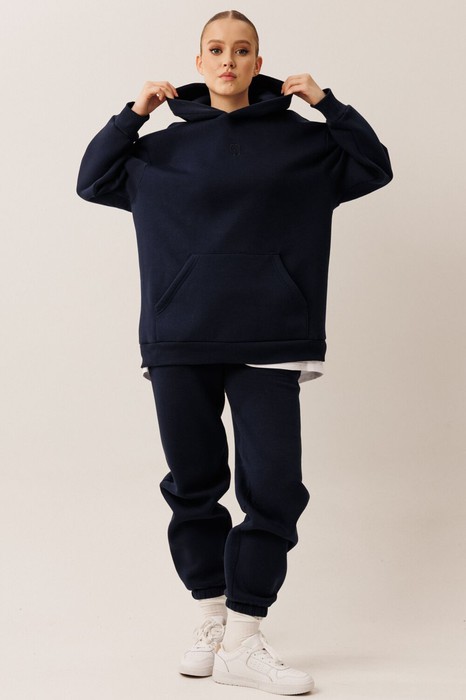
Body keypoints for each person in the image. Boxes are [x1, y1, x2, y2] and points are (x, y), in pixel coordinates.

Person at [76, 8, 393, 695]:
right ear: (199, 62)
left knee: (274, 489)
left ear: (258, 62)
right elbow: (92, 180)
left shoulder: (303, 143)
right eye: (216, 50)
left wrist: (328, 103)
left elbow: (374, 165)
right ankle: (212, 623)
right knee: (193, 485)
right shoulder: (158, 150)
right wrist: (133, 114)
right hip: (180, 335)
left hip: (272, 334)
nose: (228, 60)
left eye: (242, 50)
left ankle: (246, 636)